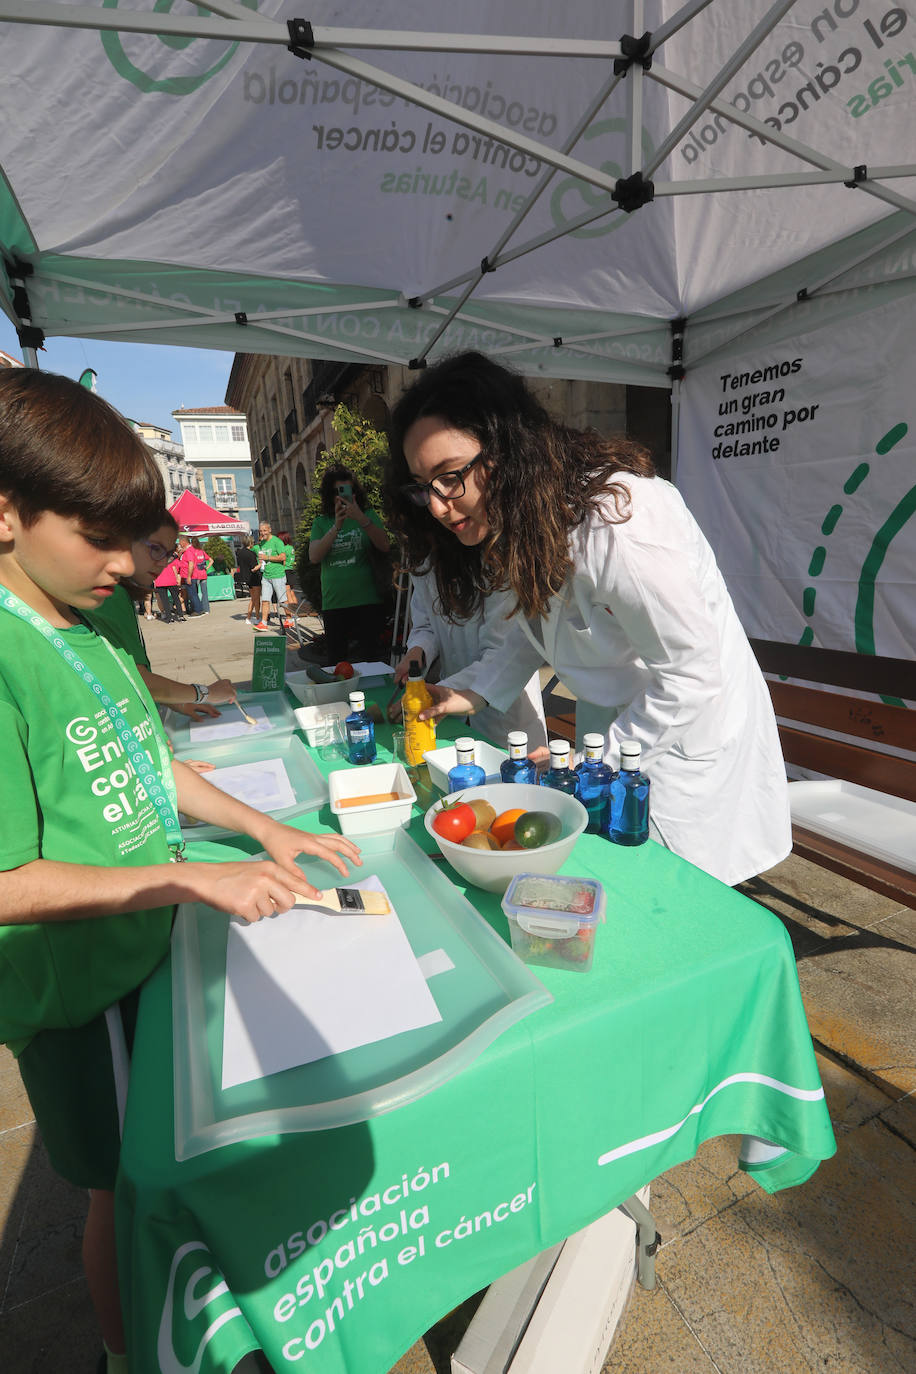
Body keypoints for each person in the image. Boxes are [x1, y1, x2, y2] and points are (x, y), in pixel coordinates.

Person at [0, 369, 362, 1374]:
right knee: (121, 1192)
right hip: (73, 998)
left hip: (136, 960)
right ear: (5, 515)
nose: (128, 564)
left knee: (162, 1171)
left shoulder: (86, 623)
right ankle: (128, 1354)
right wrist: (185, 880)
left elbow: (151, 764)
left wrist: (261, 831)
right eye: (98, 536)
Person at [384, 352, 791, 887]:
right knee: (618, 883)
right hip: (619, 730)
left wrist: (588, 763)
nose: (437, 506)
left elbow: (691, 674)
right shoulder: (524, 524)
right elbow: (531, 631)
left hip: (685, 739)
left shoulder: (621, 522)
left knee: (681, 899)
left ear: (507, 449)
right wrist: (462, 694)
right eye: (422, 486)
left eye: (449, 477)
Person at [86, 511, 237, 722]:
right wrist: (204, 693)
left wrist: (178, 701)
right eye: (155, 549)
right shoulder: (110, 595)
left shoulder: (116, 593)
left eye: (168, 553)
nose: (163, 562)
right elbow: (134, 679)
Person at [394, 569, 548, 748]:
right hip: (453, 707)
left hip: (503, 712)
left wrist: (444, 692)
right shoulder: (423, 559)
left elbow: (504, 651)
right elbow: (426, 621)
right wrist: (417, 651)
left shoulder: (496, 564)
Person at [308, 466, 392, 664]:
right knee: (337, 662)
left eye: (349, 491)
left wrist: (361, 518)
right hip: (335, 603)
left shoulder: (367, 514)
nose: (345, 496)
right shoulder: (321, 522)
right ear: (331, 495)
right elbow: (314, 556)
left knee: (370, 661)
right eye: (339, 492)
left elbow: (384, 545)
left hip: (367, 601)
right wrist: (337, 526)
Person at [253, 520, 294, 632]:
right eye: (261, 531)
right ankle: (264, 623)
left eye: (265, 530)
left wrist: (268, 558)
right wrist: (260, 564)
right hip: (266, 575)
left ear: (270, 530)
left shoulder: (277, 541)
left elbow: (283, 557)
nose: (263, 533)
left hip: (278, 575)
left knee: (283, 600)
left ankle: (289, 619)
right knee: (265, 600)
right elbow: (261, 557)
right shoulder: (262, 543)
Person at [176, 533, 208, 616]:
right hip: (187, 575)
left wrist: (189, 576)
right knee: (192, 593)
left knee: (192, 594)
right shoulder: (187, 550)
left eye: (180, 542)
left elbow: (191, 563)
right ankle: (197, 609)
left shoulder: (189, 551)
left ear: (184, 542)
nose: (179, 544)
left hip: (189, 575)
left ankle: (198, 610)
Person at [236, 532, 262, 624]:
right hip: (254, 577)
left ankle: (249, 617)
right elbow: (254, 568)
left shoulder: (240, 553)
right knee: (256, 598)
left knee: (253, 598)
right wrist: (261, 564)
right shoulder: (251, 554)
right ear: (250, 543)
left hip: (246, 578)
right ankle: (257, 617)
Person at [153, 548, 184, 622]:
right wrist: (176, 579)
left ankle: (169, 617)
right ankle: (180, 615)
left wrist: (154, 581)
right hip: (171, 580)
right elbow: (174, 569)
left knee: (165, 600)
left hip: (160, 581)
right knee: (176, 598)